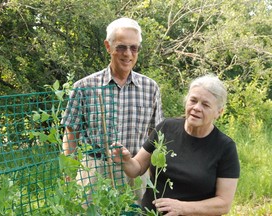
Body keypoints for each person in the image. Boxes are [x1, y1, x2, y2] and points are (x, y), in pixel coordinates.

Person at [61, 17, 164, 204]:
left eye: (134, 48)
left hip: (136, 170)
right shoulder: (85, 86)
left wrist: (154, 176)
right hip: (94, 172)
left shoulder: (150, 88)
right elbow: (71, 134)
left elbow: (154, 136)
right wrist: (68, 175)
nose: (128, 54)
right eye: (121, 47)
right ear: (108, 46)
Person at [112, 74, 240, 215]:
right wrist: (125, 161)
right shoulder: (166, 128)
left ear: (218, 112)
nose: (197, 108)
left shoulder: (225, 147)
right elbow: (137, 168)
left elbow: (223, 204)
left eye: (205, 104)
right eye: (193, 100)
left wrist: (182, 208)